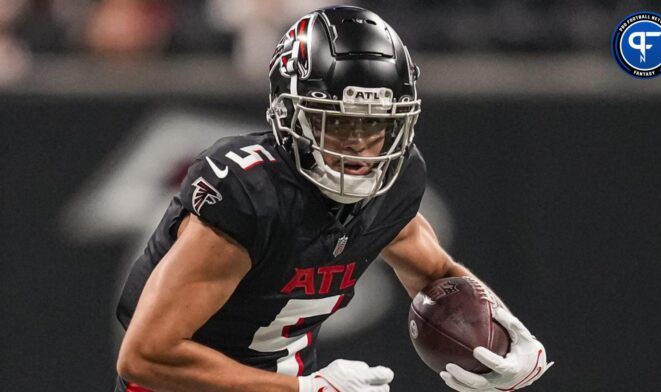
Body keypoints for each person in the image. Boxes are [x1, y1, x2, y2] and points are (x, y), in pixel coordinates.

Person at [115, 6, 552, 392]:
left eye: (375, 124)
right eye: (339, 124)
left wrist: (503, 334)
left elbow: (438, 274)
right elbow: (146, 356)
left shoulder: (393, 185)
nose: (360, 145)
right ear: (291, 117)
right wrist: (305, 390)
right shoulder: (252, 195)